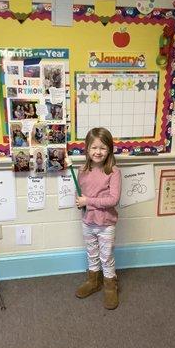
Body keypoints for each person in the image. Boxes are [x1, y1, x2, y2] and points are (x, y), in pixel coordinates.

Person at [75, 127, 121, 310]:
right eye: (94, 147)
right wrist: (79, 201)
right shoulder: (82, 170)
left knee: (106, 256)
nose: (98, 152)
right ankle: (94, 281)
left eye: (102, 148)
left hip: (106, 224)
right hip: (88, 222)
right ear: (87, 149)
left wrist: (88, 201)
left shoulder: (113, 172)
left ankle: (110, 286)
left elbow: (113, 200)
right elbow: (81, 195)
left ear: (109, 149)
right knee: (92, 253)